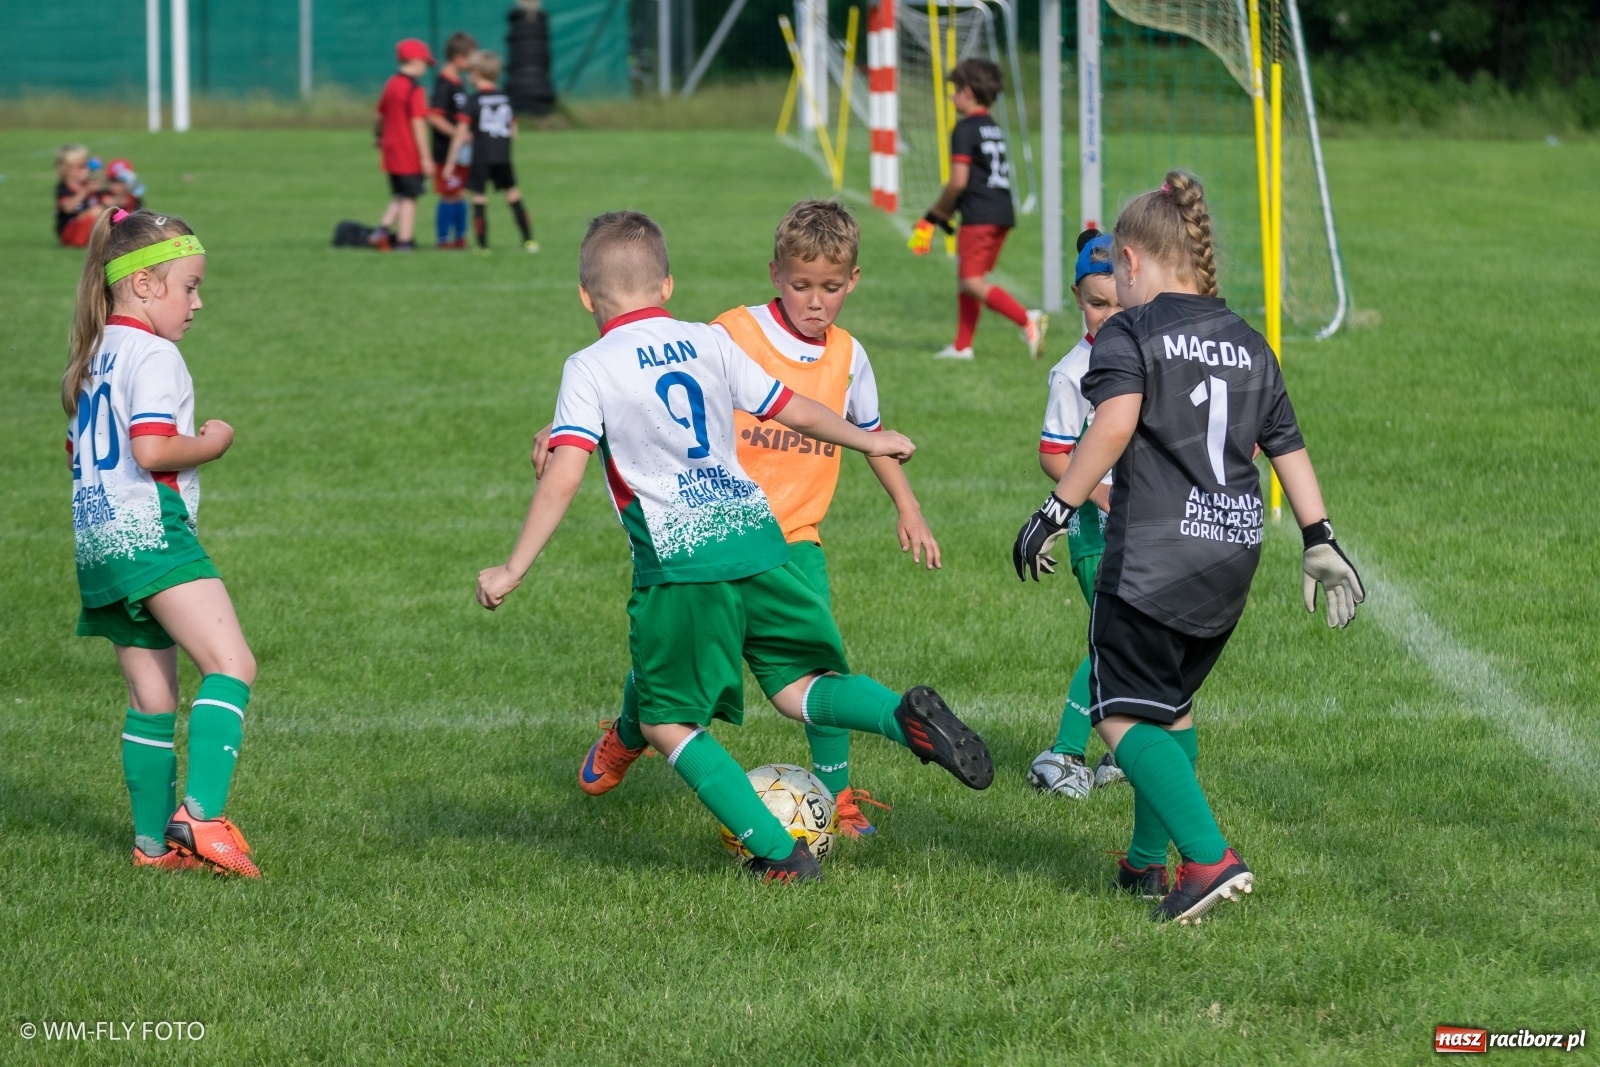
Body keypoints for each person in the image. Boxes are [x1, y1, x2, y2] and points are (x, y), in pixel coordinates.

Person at [477, 211, 992, 883]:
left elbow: (568, 472)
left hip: (682, 562)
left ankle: (781, 855)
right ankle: (901, 717)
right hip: (761, 539)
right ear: (667, 283)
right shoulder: (706, 341)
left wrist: (513, 567)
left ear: (585, 296)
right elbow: (792, 406)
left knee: (668, 720)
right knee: (799, 687)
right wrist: (869, 439)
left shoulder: (588, 365)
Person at [1010, 170, 1365, 922]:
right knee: (1169, 710)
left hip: (1152, 554)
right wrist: (1319, 536)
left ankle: (1208, 859)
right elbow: (1287, 446)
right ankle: (1145, 862)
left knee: (1117, 713)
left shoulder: (1130, 332)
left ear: (1131, 263)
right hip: (1231, 556)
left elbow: (1113, 421)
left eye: (1113, 273)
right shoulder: (1248, 339)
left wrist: (1054, 507)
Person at [63, 208, 261, 877]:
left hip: (99, 544)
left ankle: (152, 848)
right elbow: (151, 448)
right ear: (145, 285)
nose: (198, 303)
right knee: (231, 664)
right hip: (151, 534)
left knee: (151, 700)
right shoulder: (155, 354)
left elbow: (80, 451)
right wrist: (214, 441)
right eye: (190, 286)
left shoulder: (96, 353)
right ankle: (200, 816)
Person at [1026, 229, 1124, 801]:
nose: (1108, 316)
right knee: (1110, 641)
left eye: (1118, 301)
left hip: (1149, 534)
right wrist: (1101, 493)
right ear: (1077, 297)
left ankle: (1121, 749)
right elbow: (1053, 453)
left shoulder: (1147, 355)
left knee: (1133, 642)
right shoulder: (1072, 372)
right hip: (1095, 536)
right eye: (1096, 303)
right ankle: (1062, 753)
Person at [909, 58, 1045, 361]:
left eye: (955, 90)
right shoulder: (992, 127)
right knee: (968, 279)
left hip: (979, 216)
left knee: (972, 282)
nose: (952, 96)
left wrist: (931, 217)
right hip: (1001, 213)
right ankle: (962, 346)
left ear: (967, 92)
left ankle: (1027, 319)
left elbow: (958, 181)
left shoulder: (965, 128)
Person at [445, 51, 536, 254]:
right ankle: (528, 240)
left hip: (481, 156)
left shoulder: (473, 100)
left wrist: (450, 164)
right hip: (502, 156)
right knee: (513, 195)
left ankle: (484, 245)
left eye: (470, 72)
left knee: (479, 197)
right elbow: (514, 132)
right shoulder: (506, 98)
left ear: (476, 73)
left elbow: (460, 134)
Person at [373, 38, 437, 252]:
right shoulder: (415, 90)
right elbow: (418, 125)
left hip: (390, 149)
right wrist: (426, 157)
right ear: (416, 61)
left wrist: (378, 137)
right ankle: (404, 241)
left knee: (401, 192)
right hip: (408, 151)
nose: (425, 69)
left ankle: (382, 230)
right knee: (411, 197)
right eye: (425, 64)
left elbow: (379, 114)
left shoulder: (391, 83)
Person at [428, 32, 477, 249]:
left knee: (459, 193)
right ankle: (443, 240)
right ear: (459, 58)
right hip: (444, 151)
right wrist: (458, 134)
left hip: (460, 152)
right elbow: (434, 116)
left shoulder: (458, 82)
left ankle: (460, 238)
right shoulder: (444, 83)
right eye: (471, 57)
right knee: (449, 195)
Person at [55, 144, 105, 248]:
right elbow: (67, 208)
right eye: (81, 166)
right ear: (67, 169)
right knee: (97, 211)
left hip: (87, 228)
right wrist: (86, 191)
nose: (86, 169)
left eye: (86, 165)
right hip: (70, 232)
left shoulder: (88, 184)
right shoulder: (65, 188)